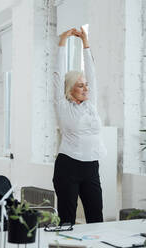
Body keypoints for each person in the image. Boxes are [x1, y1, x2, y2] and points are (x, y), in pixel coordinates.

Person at [52, 27, 107, 225]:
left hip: (91, 166)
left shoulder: (90, 105)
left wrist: (85, 42)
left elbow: (92, 74)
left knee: (96, 218)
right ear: (70, 89)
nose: (86, 88)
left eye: (86, 84)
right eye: (80, 85)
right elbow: (58, 74)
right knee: (67, 221)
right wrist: (63, 41)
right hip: (68, 166)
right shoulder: (63, 106)